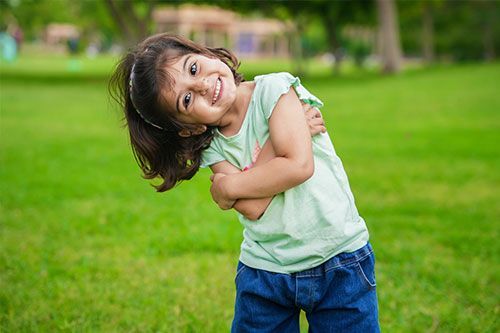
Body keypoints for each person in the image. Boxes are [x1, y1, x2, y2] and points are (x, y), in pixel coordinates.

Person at [109, 33, 380, 332]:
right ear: (189, 128)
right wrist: (289, 138)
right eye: (186, 100)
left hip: (338, 259)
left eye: (193, 69)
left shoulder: (274, 89)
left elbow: (298, 165)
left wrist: (228, 187)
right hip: (265, 271)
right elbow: (253, 208)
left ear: (205, 53)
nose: (202, 86)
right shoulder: (213, 145)